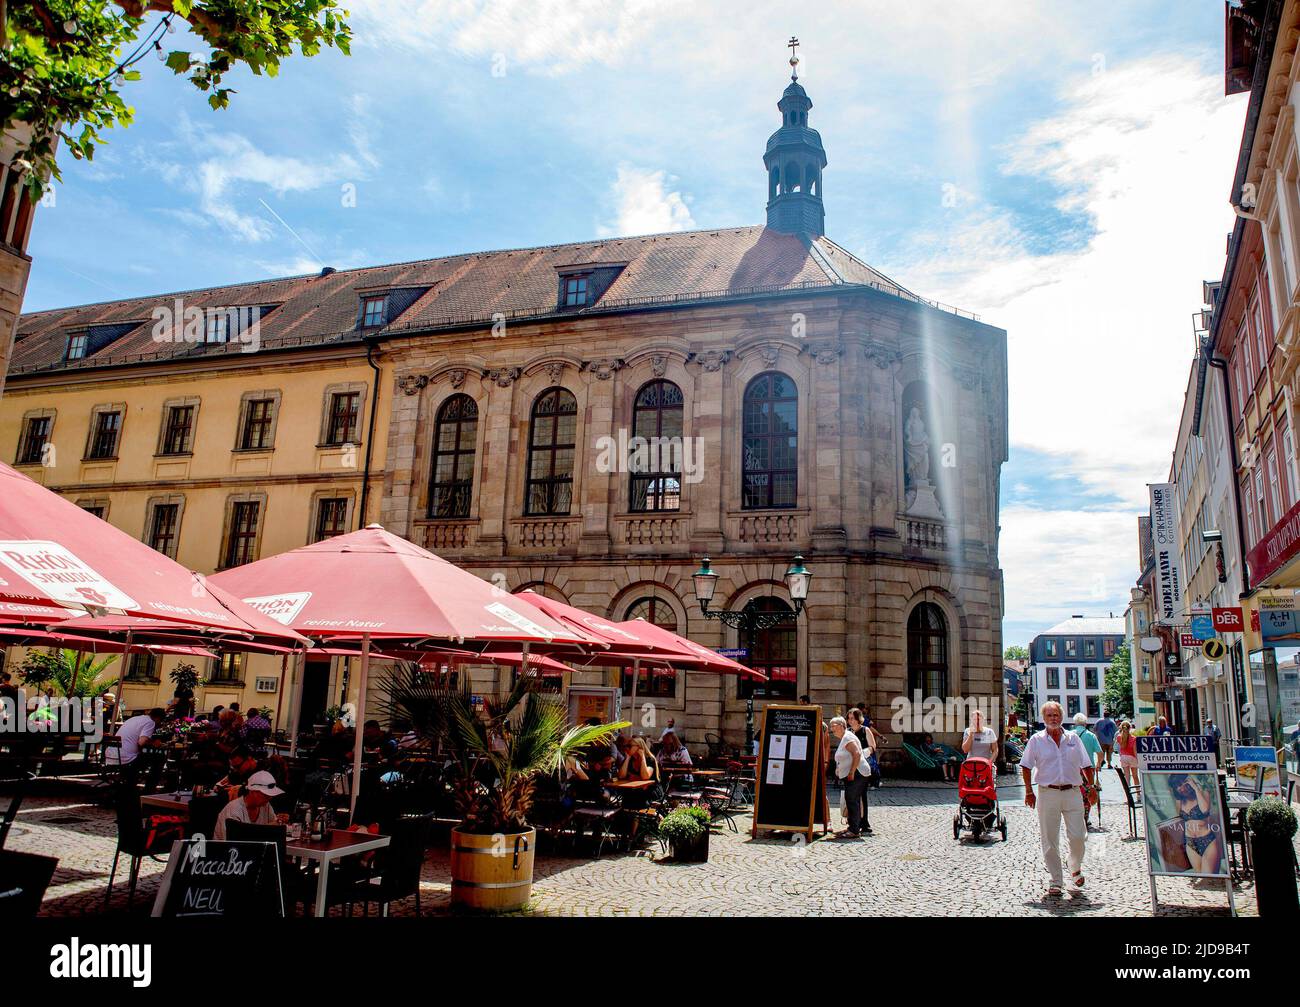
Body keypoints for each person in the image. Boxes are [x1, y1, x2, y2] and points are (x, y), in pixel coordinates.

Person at [1020, 701, 1095, 897]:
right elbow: (1026, 765)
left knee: (1078, 836)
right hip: (1048, 793)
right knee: (1049, 839)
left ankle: (1074, 864)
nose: (1053, 718)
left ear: (1062, 717)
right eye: (1049, 715)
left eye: (1056, 715)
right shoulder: (1036, 740)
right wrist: (1029, 791)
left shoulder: (1073, 739)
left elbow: (1087, 764)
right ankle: (1056, 880)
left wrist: (1092, 787)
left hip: (1072, 792)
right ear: (1043, 719)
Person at [1168, 773, 1223, 874]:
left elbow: (1205, 810)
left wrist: (1196, 788)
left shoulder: (1203, 793)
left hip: (1207, 840)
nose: (1180, 788)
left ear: (1188, 781)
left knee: (1209, 877)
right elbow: (1180, 819)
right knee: (1201, 877)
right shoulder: (1179, 801)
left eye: (1181, 783)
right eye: (1176, 786)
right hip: (1190, 842)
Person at [829, 716, 873, 837]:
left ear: (842, 725)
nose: (832, 728)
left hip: (857, 773)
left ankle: (853, 830)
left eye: (834, 725)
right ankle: (853, 827)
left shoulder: (848, 737)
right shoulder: (845, 737)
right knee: (852, 800)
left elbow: (857, 753)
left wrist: (851, 772)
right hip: (855, 773)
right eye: (831, 726)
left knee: (852, 800)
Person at [213, 770, 284, 839]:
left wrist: (279, 821)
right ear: (252, 791)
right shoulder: (234, 810)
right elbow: (235, 842)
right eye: (265, 795)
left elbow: (273, 827)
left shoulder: (266, 805)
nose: (269, 798)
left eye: (270, 796)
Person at [106, 708, 166, 785]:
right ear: (158, 718)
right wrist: (154, 743)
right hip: (126, 759)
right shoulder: (150, 722)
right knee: (159, 758)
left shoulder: (134, 718)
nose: (160, 723)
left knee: (148, 756)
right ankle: (149, 789)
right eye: (160, 721)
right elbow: (141, 742)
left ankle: (133, 780)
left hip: (111, 756)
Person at [1071, 713, 1104, 831]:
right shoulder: (1091, 736)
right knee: (1088, 792)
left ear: (1075, 723)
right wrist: (1098, 764)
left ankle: (1075, 818)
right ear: (1085, 723)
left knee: (1074, 793)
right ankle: (1086, 817)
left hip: (1073, 769)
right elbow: (1100, 753)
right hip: (1088, 769)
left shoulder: (1070, 735)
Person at [1116, 720, 1140, 800]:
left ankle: (1128, 797)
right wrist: (1138, 760)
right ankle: (1138, 795)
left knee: (1127, 777)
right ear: (1130, 728)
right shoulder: (1133, 738)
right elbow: (1134, 751)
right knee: (1135, 776)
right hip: (1132, 757)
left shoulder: (1119, 737)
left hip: (1123, 757)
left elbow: (1119, 748)